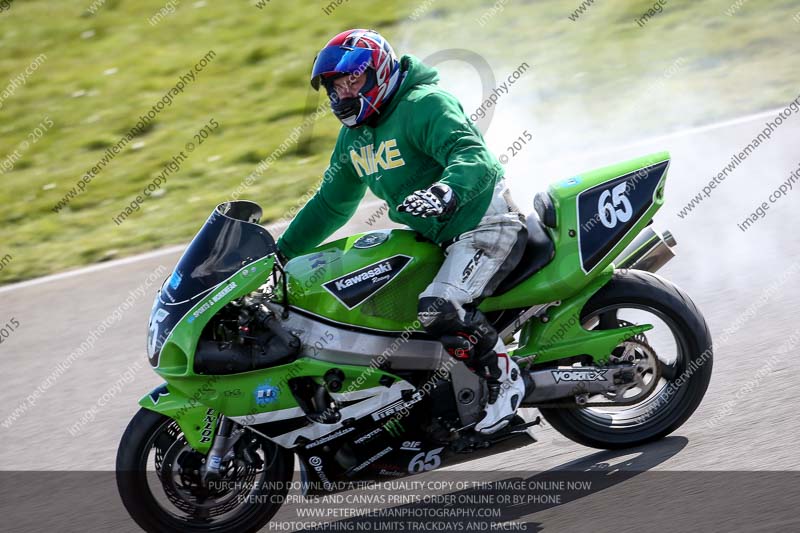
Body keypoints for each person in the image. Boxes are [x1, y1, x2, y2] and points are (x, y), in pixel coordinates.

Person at [275, 29, 527, 434]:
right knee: (381, 313)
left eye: (351, 81)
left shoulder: (424, 104)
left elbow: (474, 157)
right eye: (334, 87)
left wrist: (446, 191)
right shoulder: (354, 138)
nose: (342, 94)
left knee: (439, 307)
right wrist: (279, 253)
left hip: (483, 223)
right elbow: (330, 205)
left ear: (377, 72)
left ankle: (506, 381)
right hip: (436, 241)